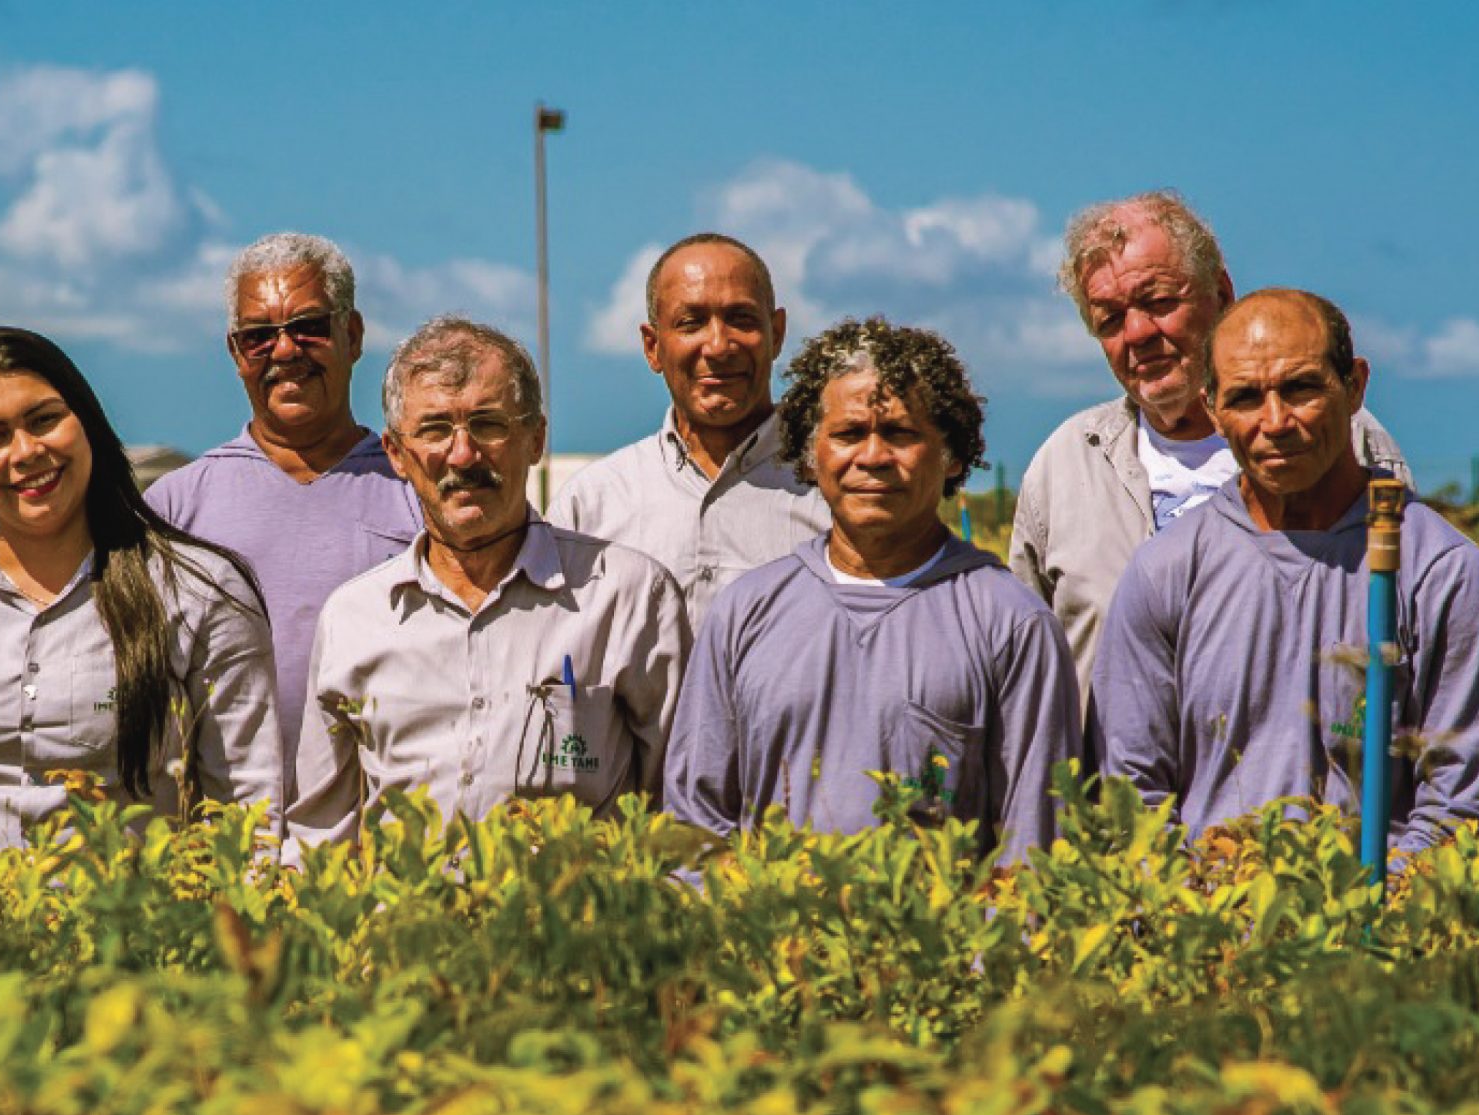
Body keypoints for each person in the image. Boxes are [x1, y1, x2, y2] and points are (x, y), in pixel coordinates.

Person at [1092, 289, 1479, 855]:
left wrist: (1360, 917)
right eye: (1245, 398)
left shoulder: (1439, 571)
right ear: (1213, 411)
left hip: (1381, 930)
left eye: (1300, 389)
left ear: (1354, 387)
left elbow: (1471, 809)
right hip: (1203, 925)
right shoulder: (1167, 570)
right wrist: (1202, 914)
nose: (1275, 422)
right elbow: (1131, 799)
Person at [0, 327, 281, 856]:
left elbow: (248, 808)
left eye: (44, 420)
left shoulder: (198, 592)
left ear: (87, 424)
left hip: (133, 928)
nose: (26, 451)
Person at [666, 318, 1075, 860]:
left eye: (902, 434)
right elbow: (697, 821)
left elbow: (1035, 845)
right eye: (849, 434)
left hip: (938, 944)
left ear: (951, 455)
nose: (874, 456)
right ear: (810, 457)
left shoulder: (1012, 623)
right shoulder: (745, 611)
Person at [285, 317, 690, 852]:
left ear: (536, 438)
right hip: (403, 932)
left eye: (488, 424)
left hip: (576, 931)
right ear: (396, 454)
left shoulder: (630, 597)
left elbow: (682, 806)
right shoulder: (355, 618)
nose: (462, 454)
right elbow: (320, 835)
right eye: (433, 429)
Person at [1011, 191, 1409, 689]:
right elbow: (1024, 671)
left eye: (1158, 303)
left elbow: (1407, 614)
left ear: (1221, 295)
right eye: (1109, 321)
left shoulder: (1340, 435)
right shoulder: (1066, 462)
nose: (1136, 333)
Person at [146, 233, 419, 764]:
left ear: (353, 334)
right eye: (259, 337)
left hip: (383, 828)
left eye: (309, 328)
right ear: (235, 352)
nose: (286, 351)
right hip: (222, 833)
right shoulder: (173, 509)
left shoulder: (416, 492)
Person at [552, 233, 828, 623]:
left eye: (741, 319)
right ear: (652, 347)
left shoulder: (836, 492)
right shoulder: (592, 504)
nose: (718, 346)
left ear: (777, 332)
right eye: (691, 323)